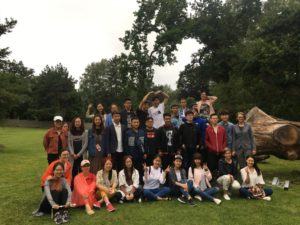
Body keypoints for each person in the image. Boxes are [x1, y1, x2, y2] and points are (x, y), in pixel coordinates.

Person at [124, 117, 145, 182]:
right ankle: (132, 182)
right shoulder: (128, 133)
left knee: (141, 169)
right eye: (134, 122)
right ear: (131, 124)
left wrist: (145, 153)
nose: (136, 124)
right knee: (132, 170)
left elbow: (145, 143)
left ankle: (141, 182)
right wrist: (128, 154)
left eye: (137, 122)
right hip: (132, 155)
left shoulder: (142, 132)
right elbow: (125, 144)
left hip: (141, 154)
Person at [68, 117, 88, 181]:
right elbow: (69, 143)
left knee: (82, 170)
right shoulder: (70, 132)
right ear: (74, 123)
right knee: (74, 171)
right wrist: (72, 153)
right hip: (73, 156)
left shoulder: (85, 132)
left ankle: (82, 184)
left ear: (81, 123)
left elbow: (86, 143)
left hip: (82, 155)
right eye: (76, 122)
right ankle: (74, 185)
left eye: (79, 121)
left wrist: (79, 154)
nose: (77, 123)